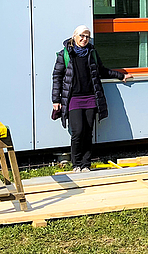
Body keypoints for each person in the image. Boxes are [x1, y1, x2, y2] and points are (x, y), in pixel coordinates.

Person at [52, 25, 132, 172]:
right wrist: (55, 100)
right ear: (74, 36)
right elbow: (57, 77)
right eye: (81, 36)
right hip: (73, 99)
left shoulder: (92, 53)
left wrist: (121, 75)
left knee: (88, 132)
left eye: (87, 36)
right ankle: (76, 164)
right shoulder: (64, 54)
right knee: (78, 132)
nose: (84, 39)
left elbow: (101, 71)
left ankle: (85, 164)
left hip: (90, 98)